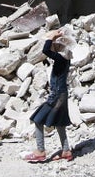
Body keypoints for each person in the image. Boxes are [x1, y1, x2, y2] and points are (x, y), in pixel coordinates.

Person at [23, 29, 74, 163]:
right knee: (60, 122)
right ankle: (66, 150)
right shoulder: (67, 58)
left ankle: (40, 151)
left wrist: (51, 37)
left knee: (38, 119)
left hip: (56, 94)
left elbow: (45, 51)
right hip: (62, 93)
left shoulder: (61, 58)